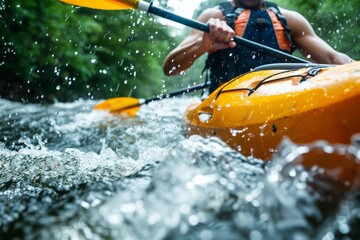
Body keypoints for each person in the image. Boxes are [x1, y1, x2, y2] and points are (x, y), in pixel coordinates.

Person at [163, 0, 353, 93]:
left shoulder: (290, 20)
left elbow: (333, 59)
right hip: (227, 101)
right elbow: (170, 67)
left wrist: (355, 71)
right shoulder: (213, 17)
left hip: (280, 97)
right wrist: (202, 44)